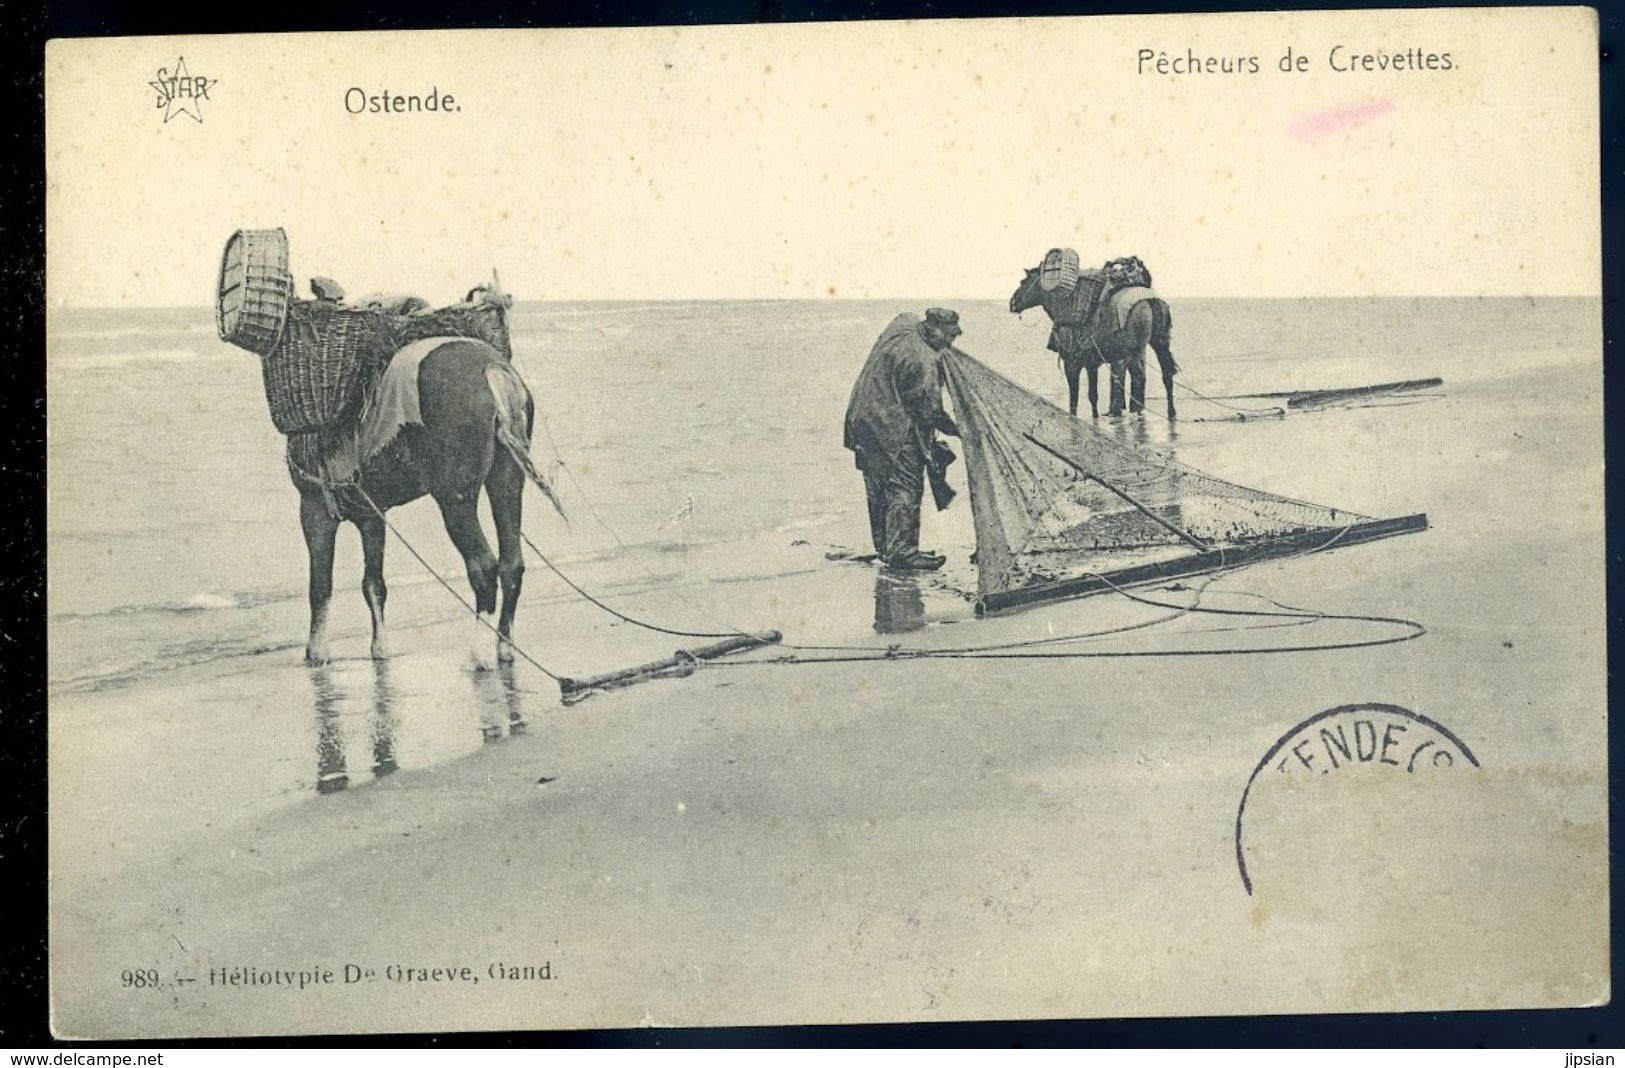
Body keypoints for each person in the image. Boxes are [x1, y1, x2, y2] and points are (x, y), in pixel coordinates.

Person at [843, 308, 963, 570]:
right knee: (905, 486)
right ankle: (903, 552)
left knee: (877, 487)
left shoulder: (905, 324)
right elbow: (931, 412)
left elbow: (904, 317)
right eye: (949, 337)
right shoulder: (923, 361)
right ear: (933, 330)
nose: (951, 341)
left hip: (862, 420)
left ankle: (886, 547)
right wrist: (961, 430)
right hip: (890, 428)